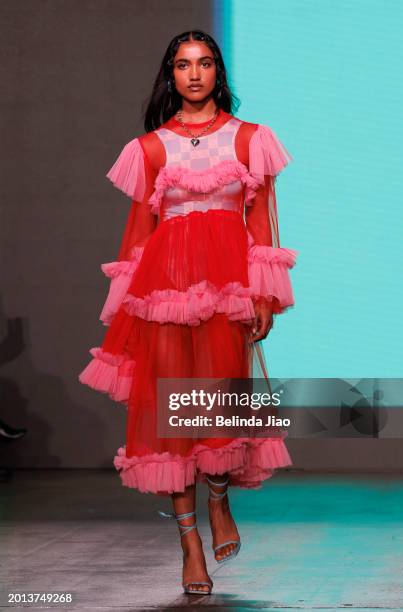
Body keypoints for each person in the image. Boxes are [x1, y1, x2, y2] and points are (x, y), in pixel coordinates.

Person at [78, 29, 298, 596]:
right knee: (172, 420)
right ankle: (189, 543)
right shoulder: (149, 148)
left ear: (217, 72)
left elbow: (260, 223)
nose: (193, 74)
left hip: (226, 289)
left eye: (203, 63)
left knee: (216, 407)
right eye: (182, 65)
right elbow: (138, 234)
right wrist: (127, 304)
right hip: (164, 292)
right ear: (170, 75)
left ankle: (219, 501)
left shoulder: (250, 140)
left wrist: (264, 294)